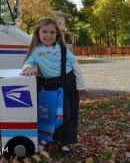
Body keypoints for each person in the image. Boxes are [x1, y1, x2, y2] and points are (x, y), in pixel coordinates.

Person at [20, 17, 86, 155]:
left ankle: (64, 143)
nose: (48, 35)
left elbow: (75, 66)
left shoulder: (63, 49)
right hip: (54, 86)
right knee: (62, 115)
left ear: (57, 34)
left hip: (70, 84)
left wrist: (80, 85)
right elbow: (28, 62)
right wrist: (27, 68)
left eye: (52, 32)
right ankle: (46, 139)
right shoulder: (36, 50)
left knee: (71, 114)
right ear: (38, 33)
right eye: (44, 32)